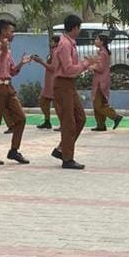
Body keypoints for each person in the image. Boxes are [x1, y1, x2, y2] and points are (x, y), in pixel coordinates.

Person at [51, 14, 97, 170]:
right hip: (63, 84)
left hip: (69, 85)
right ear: (75, 27)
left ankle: (62, 149)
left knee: (80, 118)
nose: (79, 30)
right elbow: (68, 69)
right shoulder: (65, 44)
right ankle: (67, 158)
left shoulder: (70, 43)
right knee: (69, 122)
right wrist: (86, 64)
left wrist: (86, 65)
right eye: (79, 27)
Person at [0, 19, 33, 166]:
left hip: (8, 87)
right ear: (3, 31)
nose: (13, 34)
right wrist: (3, 53)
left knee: (21, 118)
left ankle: (14, 150)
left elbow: (11, 71)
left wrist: (21, 63)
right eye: (11, 31)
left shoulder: (8, 50)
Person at [90, 33, 123, 131]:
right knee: (100, 103)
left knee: (97, 104)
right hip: (101, 80)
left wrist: (91, 65)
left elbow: (100, 68)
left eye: (97, 39)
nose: (95, 41)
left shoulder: (102, 53)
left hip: (100, 81)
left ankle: (115, 116)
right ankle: (101, 125)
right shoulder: (102, 52)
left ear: (102, 42)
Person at [33, 35, 59, 130]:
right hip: (49, 82)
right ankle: (47, 121)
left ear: (56, 43)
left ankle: (64, 123)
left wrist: (41, 61)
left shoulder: (56, 52)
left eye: (52, 41)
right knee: (43, 102)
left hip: (54, 81)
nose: (50, 43)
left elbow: (53, 67)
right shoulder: (52, 52)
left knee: (57, 105)